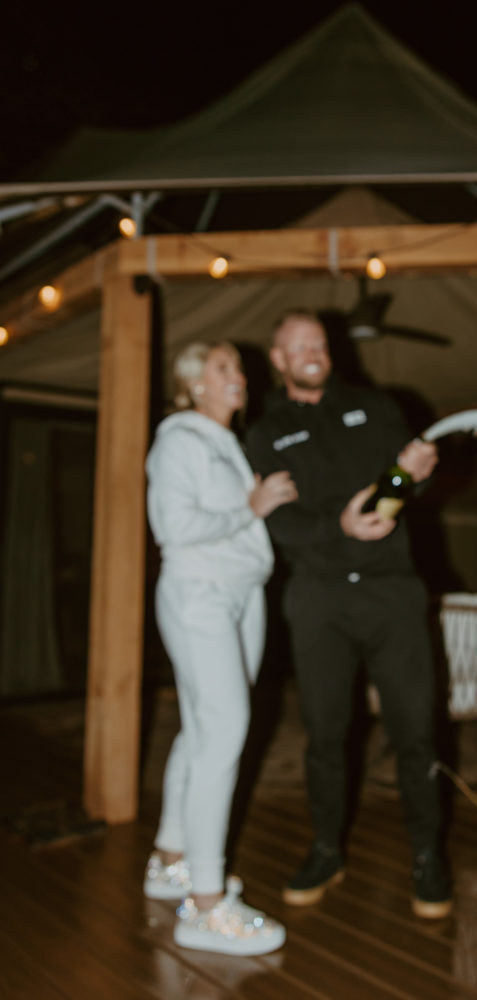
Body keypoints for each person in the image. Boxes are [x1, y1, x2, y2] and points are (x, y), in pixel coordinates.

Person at [246, 309, 452, 919]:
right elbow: (281, 522)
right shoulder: (265, 431)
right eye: (297, 344)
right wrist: (339, 526)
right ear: (278, 359)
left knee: (416, 731)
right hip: (319, 601)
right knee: (325, 737)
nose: (313, 350)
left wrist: (406, 476)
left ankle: (426, 856)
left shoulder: (377, 405)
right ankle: (326, 849)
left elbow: (390, 495)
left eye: (320, 342)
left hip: (392, 594)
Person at [143, 340, 297, 955]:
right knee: (226, 729)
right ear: (195, 384)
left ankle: (170, 858)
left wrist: (251, 507)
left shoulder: (225, 442)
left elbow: (234, 518)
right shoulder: (179, 439)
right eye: (224, 369)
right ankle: (205, 905)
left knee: (201, 728)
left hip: (240, 593)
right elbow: (173, 528)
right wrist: (250, 504)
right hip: (200, 593)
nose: (240, 377)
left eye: (238, 368)